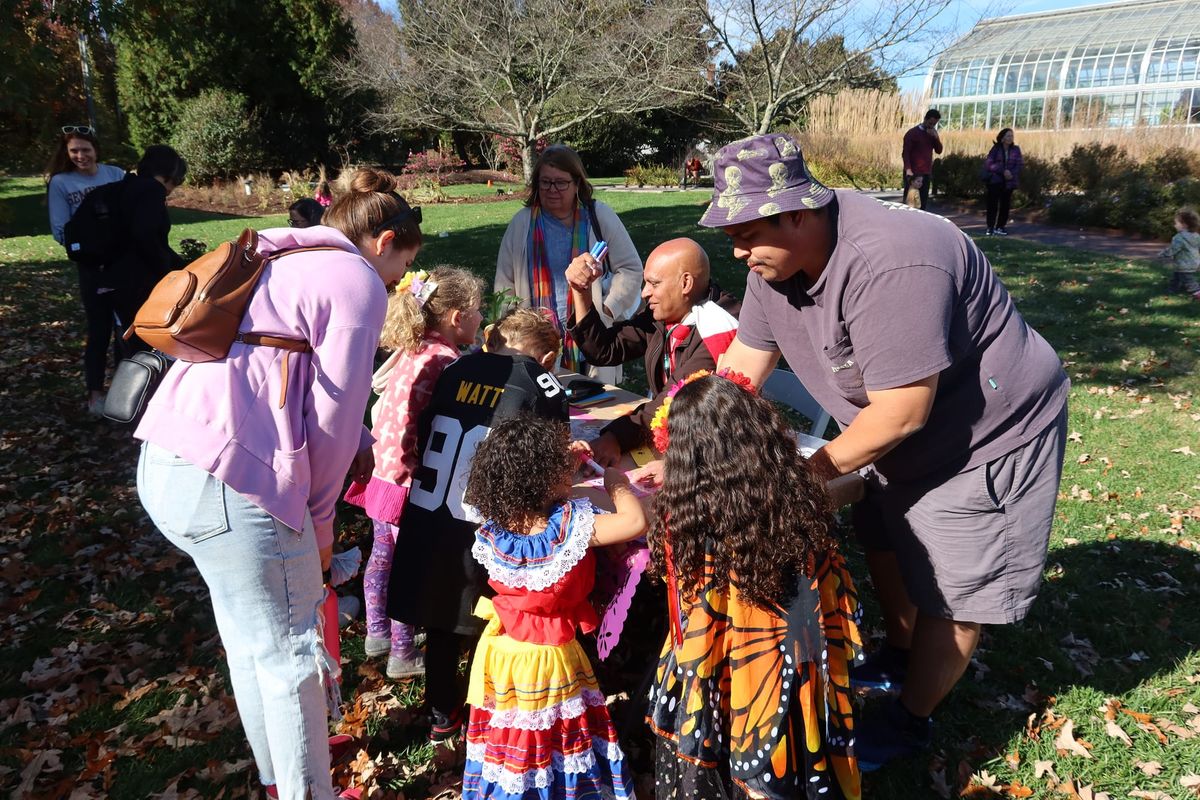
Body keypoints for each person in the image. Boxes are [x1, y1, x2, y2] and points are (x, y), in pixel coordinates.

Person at [705, 133, 1069, 772]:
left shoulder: (893, 262)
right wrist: (686, 443)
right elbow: (741, 365)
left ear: (799, 210)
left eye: (746, 230)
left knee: (956, 588)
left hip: (982, 433)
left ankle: (911, 719)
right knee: (884, 532)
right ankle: (900, 652)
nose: (735, 249)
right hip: (885, 426)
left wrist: (805, 476)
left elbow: (903, 413)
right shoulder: (773, 261)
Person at [136, 167, 423, 800]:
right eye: (403, 264)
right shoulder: (357, 281)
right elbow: (333, 419)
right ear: (386, 240)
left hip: (169, 455)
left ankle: (275, 782)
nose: (400, 281)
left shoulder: (280, 249)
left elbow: (278, 370)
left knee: (251, 642)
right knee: (293, 655)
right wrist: (320, 526)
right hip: (240, 481)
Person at [645, 371, 861, 799]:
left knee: (736, 734)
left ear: (689, 458)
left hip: (731, 666)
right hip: (797, 664)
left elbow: (694, 618)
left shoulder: (696, 521)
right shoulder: (799, 500)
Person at [386, 309, 570, 741]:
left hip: (432, 515)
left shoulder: (457, 368)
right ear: (546, 359)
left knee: (439, 617)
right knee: (487, 619)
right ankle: (483, 716)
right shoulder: (542, 384)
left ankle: (440, 712)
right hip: (484, 523)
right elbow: (553, 467)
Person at [460, 413, 645, 799]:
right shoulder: (572, 525)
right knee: (552, 734)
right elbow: (633, 522)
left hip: (503, 652)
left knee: (513, 733)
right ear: (547, 480)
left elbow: (539, 495)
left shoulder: (499, 523)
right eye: (560, 465)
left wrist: (567, 468)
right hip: (549, 658)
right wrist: (618, 486)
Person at [343, 266, 484, 679]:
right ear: (458, 317)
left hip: (380, 475)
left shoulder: (413, 349)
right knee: (410, 569)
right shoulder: (446, 362)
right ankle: (402, 654)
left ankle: (378, 632)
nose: (481, 319)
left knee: (383, 558)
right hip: (409, 481)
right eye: (477, 312)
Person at [565, 237, 739, 466]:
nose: (645, 293)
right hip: (675, 439)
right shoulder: (667, 314)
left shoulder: (719, 329)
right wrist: (581, 291)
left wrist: (615, 437)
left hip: (716, 455)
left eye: (654, 284)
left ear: (685, 283)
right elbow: (604, 349)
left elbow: (675, 400)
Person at [495, 144, 643, 382]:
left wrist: (607, 308)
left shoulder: (598, 216)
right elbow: (505, 282)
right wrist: (508, 331)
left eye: (561, 182)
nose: (552, 189)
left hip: (590, 336)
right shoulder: (522, 223)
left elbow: (631, 269)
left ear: (577, 184)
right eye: (545, 182)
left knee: (594, 408)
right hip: (534, 341)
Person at [45, 126, 128, 413]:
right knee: (99, 328)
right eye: (74, 151)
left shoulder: (115, 175)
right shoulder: (61, 182)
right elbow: (60, 228)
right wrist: (88, 248)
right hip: (92, 266)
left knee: (125, 328)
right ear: (67, 154)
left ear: (96, 150)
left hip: (122, 263)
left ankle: (123, 391)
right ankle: (95, 394)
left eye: (85, 149)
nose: (81, 156)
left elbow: (131, 212)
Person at [106, 146, 189, 349]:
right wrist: (166, 271)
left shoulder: (125, 186)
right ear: (170, 174)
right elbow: (146, 235)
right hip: (137, 278)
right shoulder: (152, 191)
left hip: (112, 274)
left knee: (126, 335)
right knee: (145, 340)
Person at [983, 128, 1023, 236]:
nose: (1010, 138)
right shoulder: (996, 149)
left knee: (1005, 205)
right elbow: (989, 164)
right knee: (992, 204)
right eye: (1008, 136)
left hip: (1009, 181)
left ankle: (1000, 226)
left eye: (1012, 136)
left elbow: (1019, 164)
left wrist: (1011, 173)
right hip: (995, 181)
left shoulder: (1015, 149)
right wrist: (1002, 171)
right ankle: (990, 227)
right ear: (1002, 138)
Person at [901, 109, 943, 212]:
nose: (931, 126)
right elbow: (905, 153)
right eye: (930, 123)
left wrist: (936, 138)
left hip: (926, 173)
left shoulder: (932, 134)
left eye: (934, 124)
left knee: (922, 203)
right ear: (925, 119)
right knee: (910, 202)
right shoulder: (912, 133)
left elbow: (939, 150)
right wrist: (908, 169)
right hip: (913, 172)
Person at [1159, 207, 1199, 299]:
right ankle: (1173, 289)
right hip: (1194, 262)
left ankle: (1197, 292)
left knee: (1189, 281)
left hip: (1184, 263)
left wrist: (1163, 253)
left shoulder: (1179, 237)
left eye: (1176, 223)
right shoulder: (1196, 236)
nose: (1174, 225)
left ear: (1184, 224)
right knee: (1177, 276)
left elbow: (1173, 249)